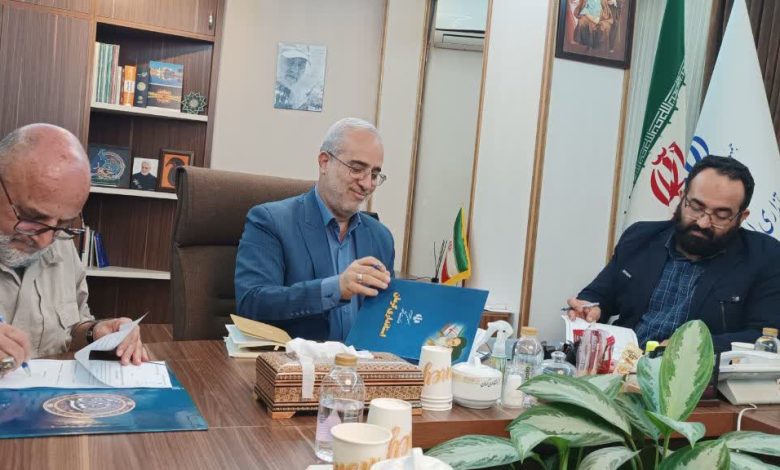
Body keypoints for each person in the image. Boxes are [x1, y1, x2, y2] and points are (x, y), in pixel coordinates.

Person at [567, 155, 780, 353]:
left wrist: (693, 345)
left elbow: (765, 337)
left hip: (700, 375)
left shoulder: (765, 257)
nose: (703, 222)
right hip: (622, 363)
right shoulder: (640, 237)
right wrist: (589, 308)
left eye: (721, 215)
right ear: (681, 197)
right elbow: (599, 295)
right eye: (695, 207)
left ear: (741, 217)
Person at [0, 123, 148, 375]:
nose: (45, 242)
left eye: (63, 225)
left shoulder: (60, 244)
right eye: (32, 218)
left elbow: (70, 332)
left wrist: (96, 332)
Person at [235, 118, 394, 341]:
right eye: (357, 169)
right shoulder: (270, 221)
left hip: (363, 361)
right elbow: (252, 303)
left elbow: (386, 317)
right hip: (296, 360)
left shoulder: (381, 237)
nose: (367, 184)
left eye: (375, 175)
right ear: (324, 162)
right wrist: (336, 288)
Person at [274, 44, 323, 111]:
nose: (295, 70)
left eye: (301, 65)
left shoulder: (301, 98)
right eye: (290, 61)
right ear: (279, 60)